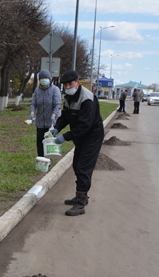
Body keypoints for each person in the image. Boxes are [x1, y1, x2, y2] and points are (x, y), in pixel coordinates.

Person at [50, 70, 104, 216]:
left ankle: (80, 204)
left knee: (83, 167)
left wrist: (65, 137)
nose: (68, 87)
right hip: (81, 136)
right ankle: (81, 196)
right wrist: (57, 128)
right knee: (77, 165)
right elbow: (65, 116)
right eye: (66, 85)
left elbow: (85, 126)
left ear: (77, 82)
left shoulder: (87, 99)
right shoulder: (69, 97)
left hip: (92, 136)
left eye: (70, 83)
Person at [29, 69, 61, 157]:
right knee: (40, 141)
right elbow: (33, 103)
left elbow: (57, 104)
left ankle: (49, 158)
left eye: (46, 78)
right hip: (40, 121)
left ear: (50, 79)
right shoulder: (37, 90)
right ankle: (41, 159)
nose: (44, 80)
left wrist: (53, 115)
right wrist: (32, 113)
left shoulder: (55, 89)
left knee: (49, 142)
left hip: (51, 122)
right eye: (42, 78)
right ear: (39, 80)